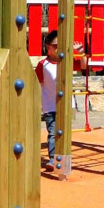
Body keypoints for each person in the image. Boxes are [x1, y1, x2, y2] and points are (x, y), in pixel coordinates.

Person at [35, 30, 86, 171]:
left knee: (64, 132)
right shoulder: (43, 65)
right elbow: (35, 83)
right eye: (56, 46)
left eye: (61, 45)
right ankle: (53, 159)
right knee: (53, 132)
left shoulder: (67, 61)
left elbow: (84, 66)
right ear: (48, 47)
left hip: (66, 104)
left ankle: (63, 160)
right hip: (50, 105)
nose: (59, 49)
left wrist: (81, 52)